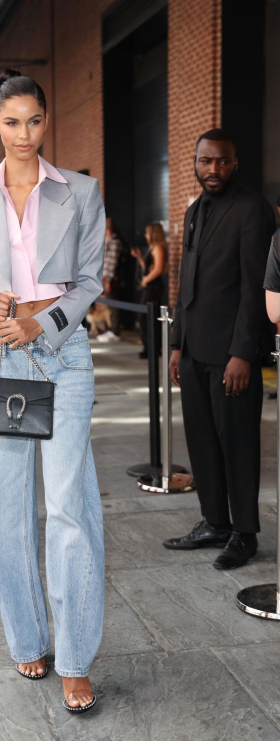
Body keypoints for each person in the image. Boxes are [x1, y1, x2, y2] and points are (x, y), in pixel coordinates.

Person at [0, 68, 105, 713]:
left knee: (70, 510)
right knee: (7, 513)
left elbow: (91, 280)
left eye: (34, 120)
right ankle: (28, 637)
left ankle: (74, 658)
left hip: (64, 360)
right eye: (11, 122)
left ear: (47, 121)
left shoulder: (81, 193)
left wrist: (43, 319)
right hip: (0, 364)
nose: (23, 133)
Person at [165, 128, 276, 569]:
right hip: (193, 350)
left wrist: (243, 354)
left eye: (223, 161)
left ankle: (244, 533)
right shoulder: (195, 211)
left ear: (235, 163)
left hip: (231, 355)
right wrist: (176, 343)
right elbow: (185, 280)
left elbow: (256, 289)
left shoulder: (253, 210)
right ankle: (214, 521)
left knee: (238, 443)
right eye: (206, 161)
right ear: (194, 162)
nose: (214, 169)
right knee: (202, 442)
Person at [131, 222, 167, 358]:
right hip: (150, 286)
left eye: (147, 233)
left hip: (154, 287)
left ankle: (153, 348)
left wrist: (146, 280)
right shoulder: (152, 248)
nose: (145, 236)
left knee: (148, 317)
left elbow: (158, 269)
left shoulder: (158, 248)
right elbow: (148, 268)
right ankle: (148, 347)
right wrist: (140, 257)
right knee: (145, 317)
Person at [96, 218, 122, 343]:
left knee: (114, 306)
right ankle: (111, 329)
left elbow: (112, 262)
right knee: (109, 306)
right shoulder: (106, 241)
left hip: (111, 280)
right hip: (104, 278)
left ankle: (115, 331)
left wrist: (108, 281)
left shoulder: (115, 242)